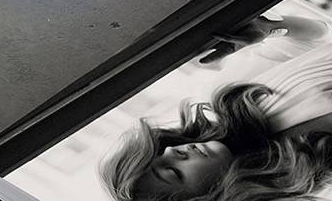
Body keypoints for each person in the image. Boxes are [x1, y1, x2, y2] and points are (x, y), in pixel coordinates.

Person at [102, 14, 332, 201]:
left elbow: (313, 38)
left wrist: (271, 27)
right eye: (173, 172)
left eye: (161, 153)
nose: (172, 151)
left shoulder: (224, 97)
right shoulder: (315, 184)